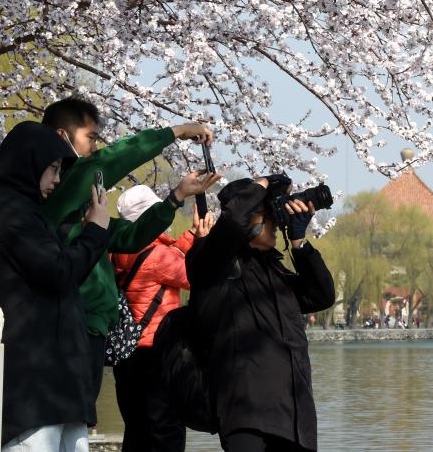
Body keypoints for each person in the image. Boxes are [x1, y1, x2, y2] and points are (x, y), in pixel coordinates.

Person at [39, 96, 218, 410]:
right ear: (61, 137)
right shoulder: (67, 187)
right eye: (90, 138)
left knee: (76, 427)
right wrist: (176, 131)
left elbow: (130, 236)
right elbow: (111, 161)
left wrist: (176, 197)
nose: (94, 148)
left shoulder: (76, 205)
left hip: (93, 330)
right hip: (75, 328)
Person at [186, 176, 336, 451]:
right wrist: (263, 184)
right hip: (247, 413)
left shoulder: (274, 271)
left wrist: (300, 245)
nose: (277, 224)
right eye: (269, 216)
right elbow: (231, 223)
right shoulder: (216, 266)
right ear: (248, 223)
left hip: (294, 415)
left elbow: (321, 295)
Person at [0, 121, 109, 450]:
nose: (56, 180)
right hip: (33, 387)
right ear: (29, 161)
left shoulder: (26, 210)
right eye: (52, 169)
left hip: (55, 386)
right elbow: (57, 273)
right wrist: (95, 232)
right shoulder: (6, 208)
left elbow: (58, 275)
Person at [111, 186, 215, 452]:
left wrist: (192, 234)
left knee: (136, 429)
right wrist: (205, 241)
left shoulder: (119, 249)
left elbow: (172, 257)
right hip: (156, 353)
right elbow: (196, 274)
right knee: (166, 430)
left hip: (128, 355)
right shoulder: (156, 256)